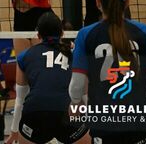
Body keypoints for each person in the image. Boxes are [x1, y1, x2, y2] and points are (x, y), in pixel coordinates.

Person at [69, 0, 146, 143]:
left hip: (105, 126)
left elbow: (76, 86)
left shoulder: (86, 35)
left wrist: (76, 102)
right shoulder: (144, 31)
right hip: (142, 123)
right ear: (127, 2)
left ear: (98, 2)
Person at [5, 12, 89, 144]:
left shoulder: (24, 56)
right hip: (67, 114)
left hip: (35, 115)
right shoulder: (74, 55)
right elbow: (85, 94)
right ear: (62, 33)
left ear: (38, 35)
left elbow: (20, 99)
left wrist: (14, 131)